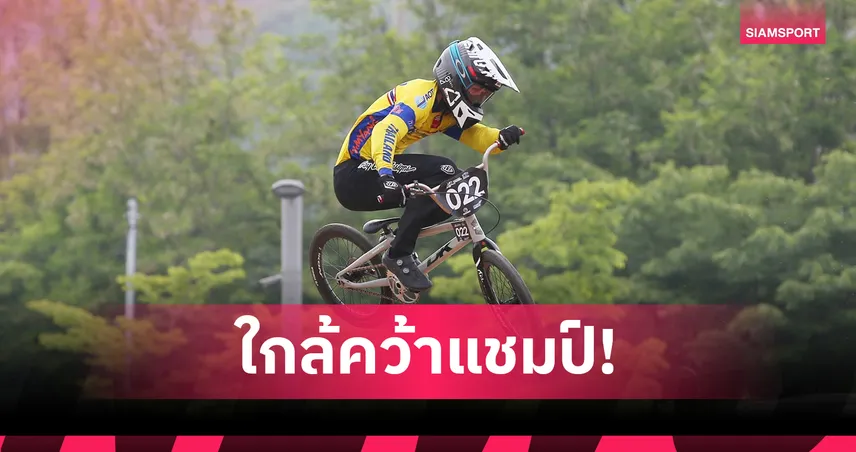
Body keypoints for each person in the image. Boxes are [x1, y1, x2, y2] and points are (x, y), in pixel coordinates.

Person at [333, 37, 525, 293]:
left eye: (486, 94)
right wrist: (386, 175)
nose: (481, 96)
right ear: (455, 81)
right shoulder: (420, 99)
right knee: (443, 170)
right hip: (355, 172)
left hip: (378, 167)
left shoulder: (445, 113)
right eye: (478, 89)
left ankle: (399, 242)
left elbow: (477, 136)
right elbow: (385, 130)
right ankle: (398, 254)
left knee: (450, 189)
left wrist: (500, 138)